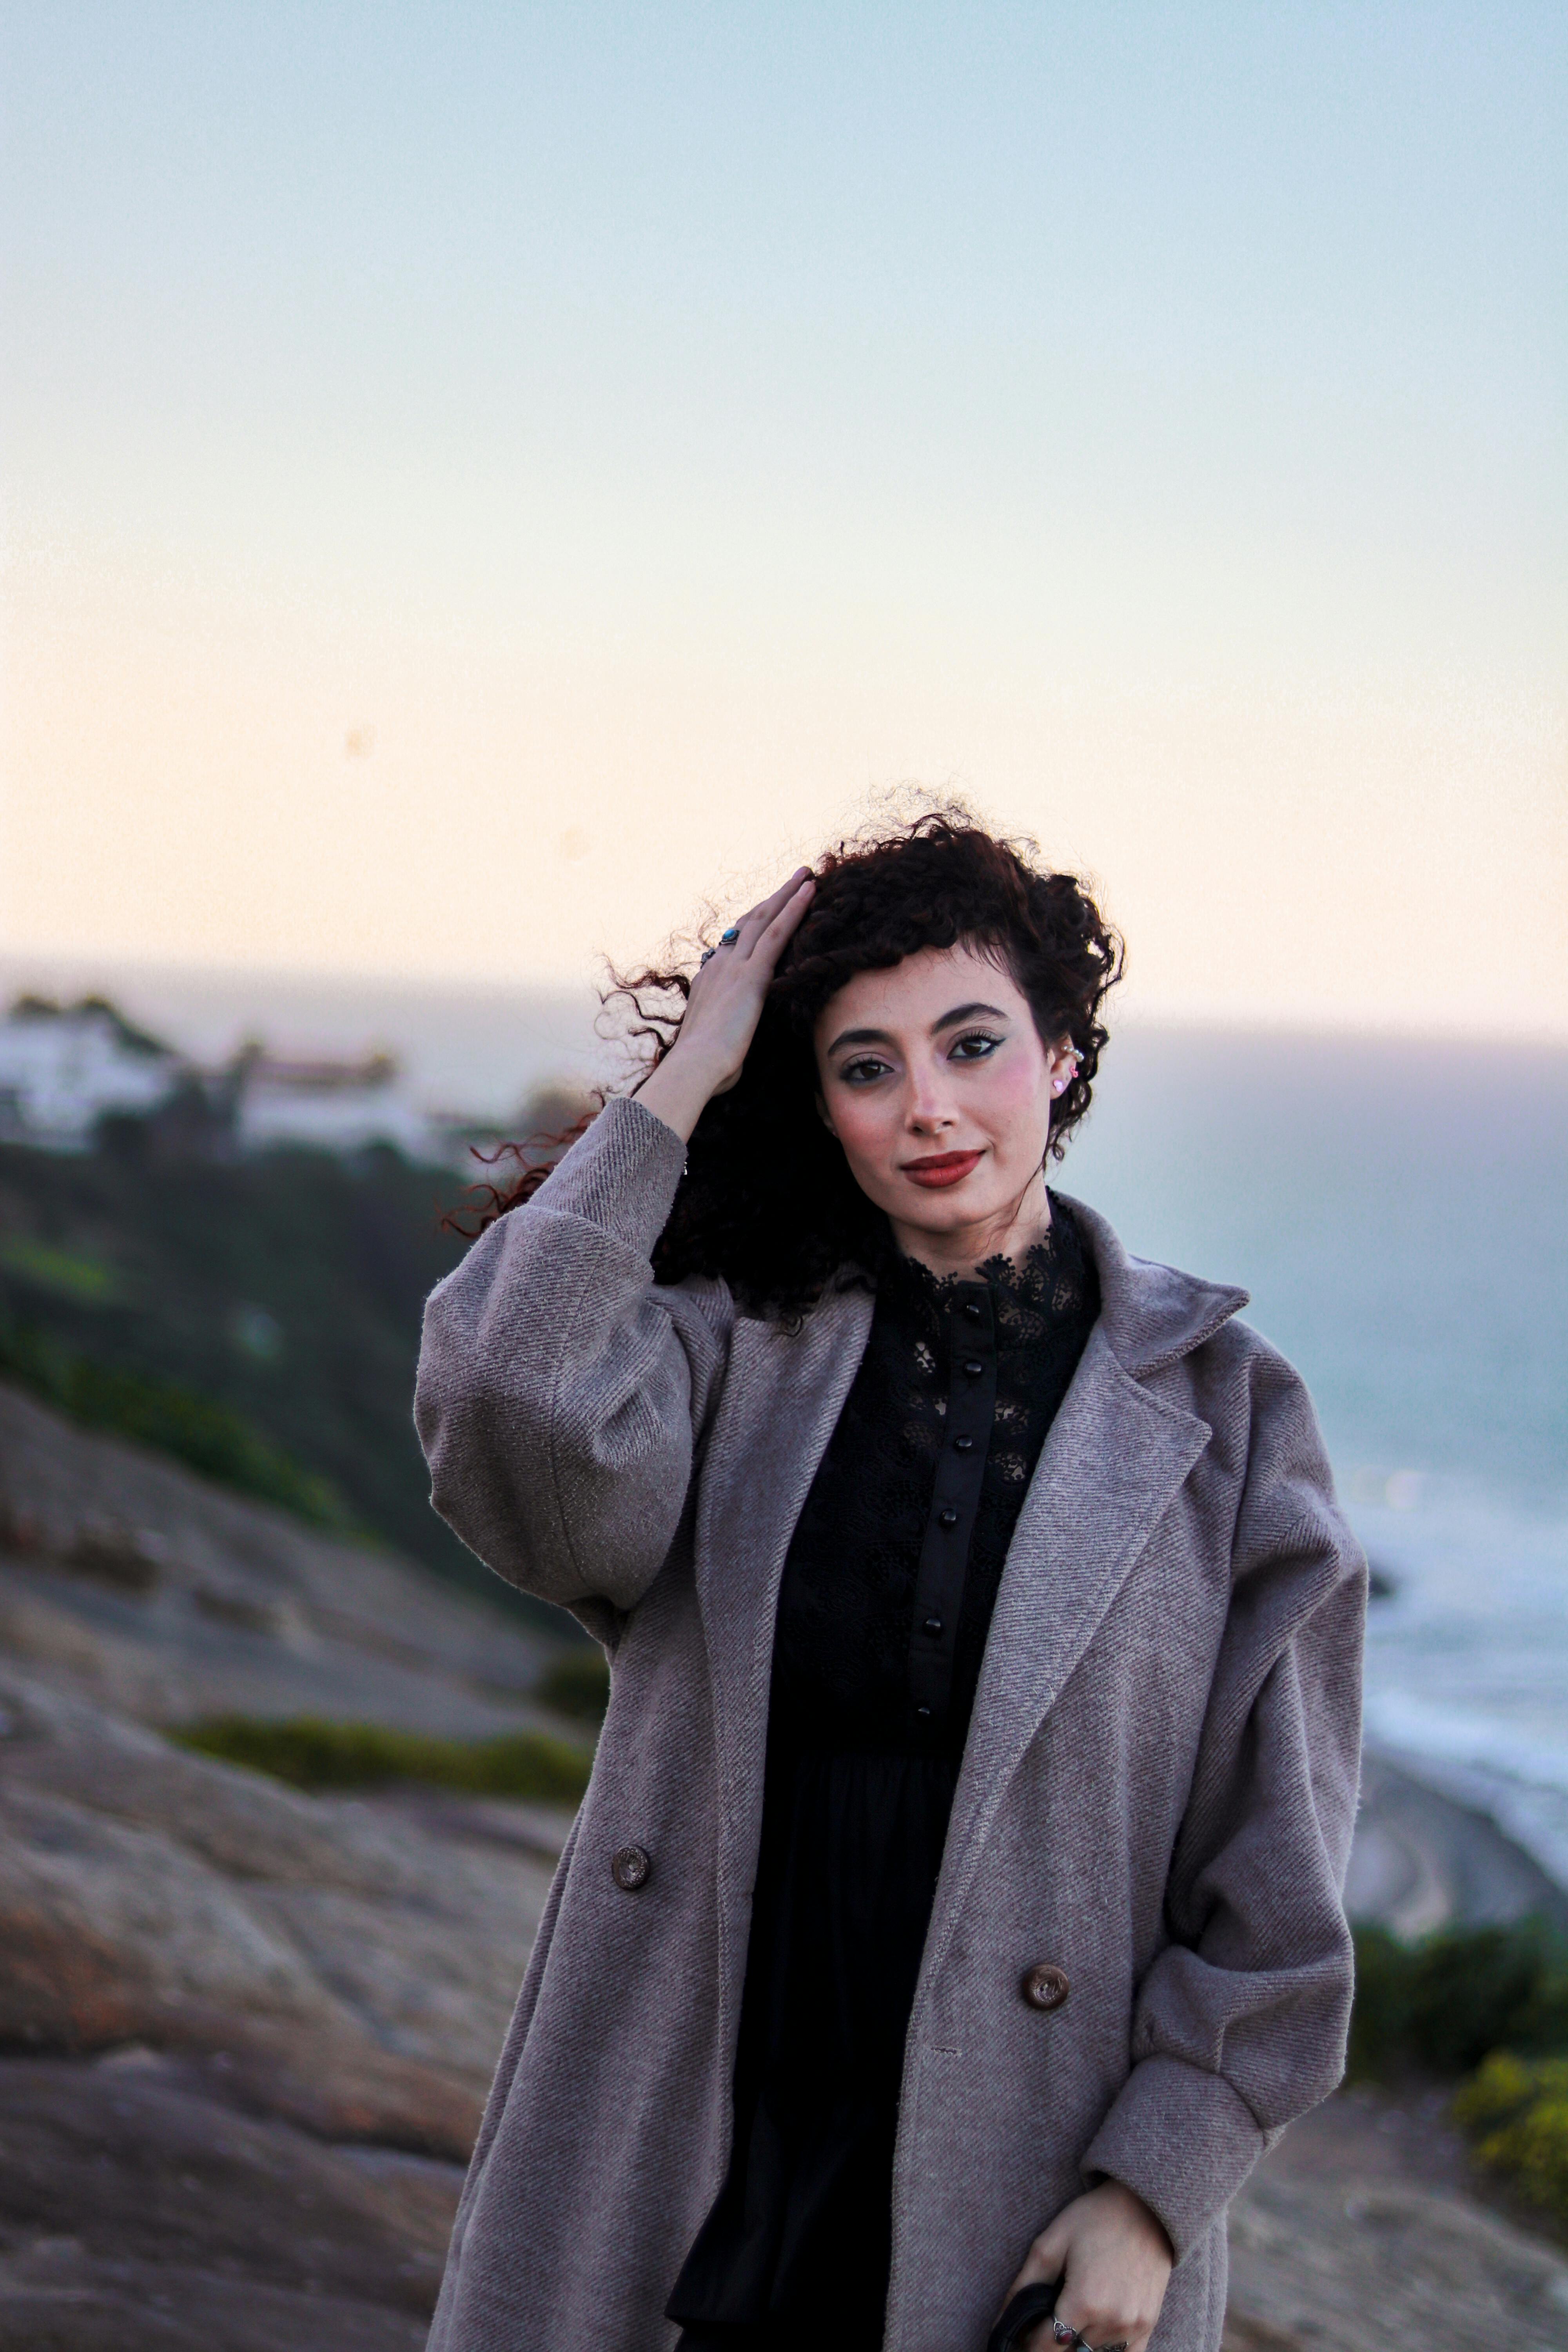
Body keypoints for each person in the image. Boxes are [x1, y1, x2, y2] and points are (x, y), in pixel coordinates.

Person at [414, 813, 1366, 2352]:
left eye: (972, 1044)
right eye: (867, 1067)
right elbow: (512, 1406)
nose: (927, 1107)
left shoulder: (1231, 1418)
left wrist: (1153, 2195)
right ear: (820, 1103)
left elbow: (1277, 1884)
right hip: (689, 2123)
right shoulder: (727, 1347)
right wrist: (683, 1074)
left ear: (1060, 1057)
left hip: (1025, 2168)